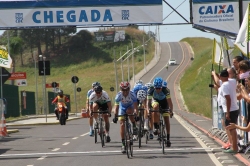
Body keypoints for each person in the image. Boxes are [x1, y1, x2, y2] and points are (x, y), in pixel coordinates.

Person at [113, 81, 138, 153]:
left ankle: (134, 125)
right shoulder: (118, 96)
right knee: (122, 124)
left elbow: (135, 107)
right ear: (121, 89)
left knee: (129, 112)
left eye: (127, 89)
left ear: (129, 89)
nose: (125, 91)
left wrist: (136, 114)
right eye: (123, 90)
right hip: (122, 108)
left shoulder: (132, 94)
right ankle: (123, 144)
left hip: (130, 106)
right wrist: (115, 116)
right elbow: (116, 107)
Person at [147, 77, 173, 147]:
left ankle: (168, 138)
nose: (158, 90)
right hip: (155, 101)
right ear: (154, 87)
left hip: (164, 102)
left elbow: (170, 102)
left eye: (159, 88)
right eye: (156, 88)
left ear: (162, 87)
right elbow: (148, 103)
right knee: (155, 108)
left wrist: (171, 111)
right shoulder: (151, 89)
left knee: (166, 119)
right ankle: (156, 127)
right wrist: (148, 110)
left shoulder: (166, 90)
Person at [218, 69, 239, 153]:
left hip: (230, 109)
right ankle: (234, 146)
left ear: (221, 77)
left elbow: (228, 99)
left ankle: (234, 148)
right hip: (235, 108)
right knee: (232, 128)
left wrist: (227, 112)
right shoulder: (232, 81)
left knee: (231, 128)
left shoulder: (224, 86)